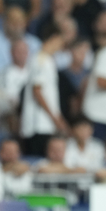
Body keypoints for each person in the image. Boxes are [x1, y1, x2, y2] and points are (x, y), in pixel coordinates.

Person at [20, 22, 67, 157]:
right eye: (60, 41)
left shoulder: (47, 60)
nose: (61, 45)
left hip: (44, 124)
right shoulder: (41, 59)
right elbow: (37, 91)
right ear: (54, 37)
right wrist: (55, 118)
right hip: (39, 124)